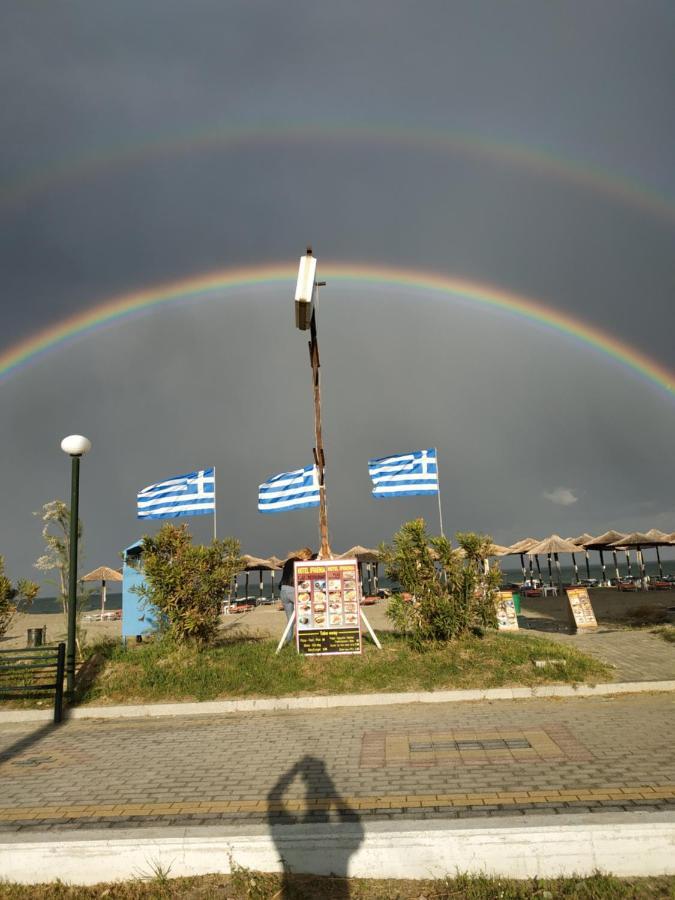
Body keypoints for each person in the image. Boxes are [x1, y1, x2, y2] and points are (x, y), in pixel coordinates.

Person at [279, 547, 314, 646]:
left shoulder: (289, 561)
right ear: (306, 555)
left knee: (290, 619)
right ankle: (308, 639)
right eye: (309, 557)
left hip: (283, 590)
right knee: (306, 611)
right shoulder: (300, 562)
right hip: (292, 590)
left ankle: (287, 642)